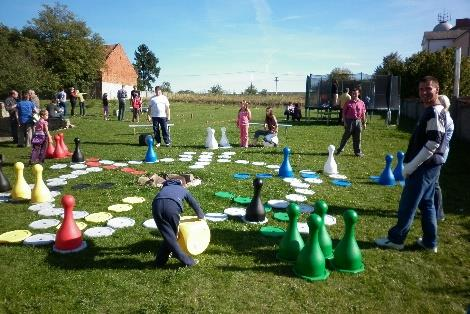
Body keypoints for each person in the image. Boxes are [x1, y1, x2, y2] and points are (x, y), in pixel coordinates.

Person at [375, 76, 449, 253]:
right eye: (421, 89)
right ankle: (430, 242)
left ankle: (396, 239)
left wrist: (411, 166)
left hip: (424, 166)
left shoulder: (434, 112)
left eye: (428, 89)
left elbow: (433, 143)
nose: (424, 92)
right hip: (430, 166)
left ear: (437, 90)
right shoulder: (432, 110)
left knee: (409, 203)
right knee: (427, 203)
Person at [152, 179, 205, 268]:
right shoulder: (182, 189)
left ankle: (159, 262)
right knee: (172, 236)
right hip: (171, 208)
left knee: (168, 235)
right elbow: (193, 203)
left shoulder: (164, 189)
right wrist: (201, 216)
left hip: (156, 206)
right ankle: (187, 261)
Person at [434, 95, 454, 222]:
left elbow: (444, 141)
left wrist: (436, 154)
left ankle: (439, 213)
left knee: (435, 184)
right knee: (433, 183)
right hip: (437, 154)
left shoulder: (446, 119)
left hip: (439, 155)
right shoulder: (442, 116)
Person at [335, 87, 367, 157]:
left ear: (358, 94)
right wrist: (345, 122)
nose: (354, 95)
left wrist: (364, 123)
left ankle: (358, 152)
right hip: (349, 122)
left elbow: (363, 113)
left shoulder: (362, 103)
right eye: (353, 94)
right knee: (345, 137)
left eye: (355, 94)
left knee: (358, 138)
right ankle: (339, 150)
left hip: (358, 122)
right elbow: (343, 113)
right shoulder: (348, 102)